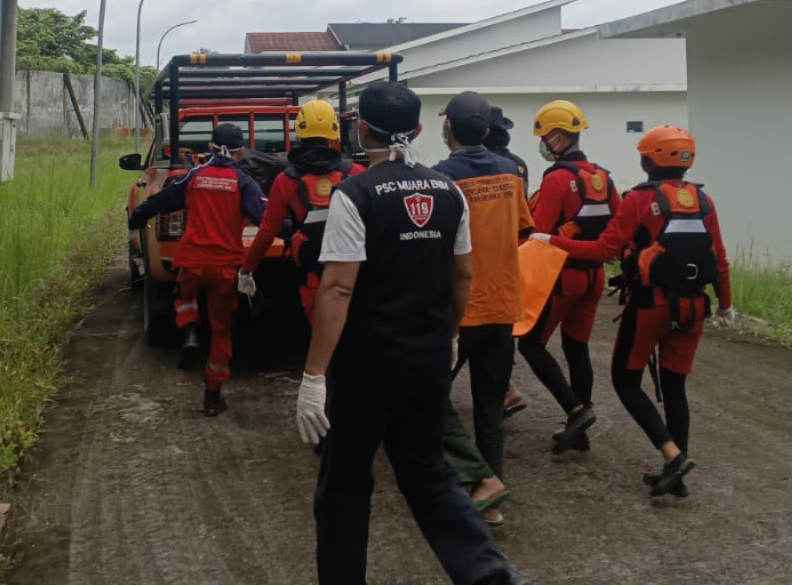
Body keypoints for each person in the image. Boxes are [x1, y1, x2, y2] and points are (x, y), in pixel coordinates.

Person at [295, 81, 525, 585]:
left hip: (366, 368)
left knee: (344, 485)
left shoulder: (354, 194)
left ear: (361, 129)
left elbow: (337, 288)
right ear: (418, 129)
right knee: (430, 477)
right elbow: (462, 275)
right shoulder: (448, 191)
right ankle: (490, 577)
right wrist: (450, 335)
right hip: (428, 360)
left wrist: (313, 377)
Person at [531, 125, 733, 496]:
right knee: (675, 388)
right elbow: (719, 260)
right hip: (693, 308)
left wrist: (550, 240)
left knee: (625, 380)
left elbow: (602, 250)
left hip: (650, 306)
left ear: (648, 161)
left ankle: (673, 456)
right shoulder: (704, 200)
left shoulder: (640, 199)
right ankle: (676, 475)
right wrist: (726, 304)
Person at [434, 91, 533, 526]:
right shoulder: (511, 173)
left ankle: (476, 478)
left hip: (458, 310)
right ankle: (490, 502)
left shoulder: (441, 177)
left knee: (426, 396)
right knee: (490, 407)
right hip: (503, 305)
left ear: (448, 128)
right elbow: (524, 228)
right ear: (488, 130)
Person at [128, 123, 264, 416]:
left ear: (211, 148)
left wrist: (137, 216)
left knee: (183, 295)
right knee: (222, 332)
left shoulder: (194, 176)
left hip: (191, 262)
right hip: (224, 270)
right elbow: (265, 217)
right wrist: (293, 229)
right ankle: (212, 397)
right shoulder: (243, 182)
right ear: (241, 151)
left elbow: (161, 200)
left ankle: (190, 330)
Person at [516, 100, 621, 454]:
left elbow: (540, 232)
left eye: (544, 138)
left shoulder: (558, 178)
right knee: (577, 347)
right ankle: (579, 430)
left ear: (558, 138)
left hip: (562, 278)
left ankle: (576, 410)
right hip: (593, 277)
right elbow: (618, 225)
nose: (543, 144)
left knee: (530, 344)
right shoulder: (603, 177)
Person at [239, 100, 365, 323]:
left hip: (312, 272)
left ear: (299, 132)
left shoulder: (285, 180)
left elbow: (268, 231)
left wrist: (246, 270)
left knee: (322, 331)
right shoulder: (357, 173)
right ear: (334, 134)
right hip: (355, 272)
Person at [483, 104, 532, 418]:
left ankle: (503, 389)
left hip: (486, 253)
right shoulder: (518, 164)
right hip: (514, 250)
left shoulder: (486, 164)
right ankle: (504, 387)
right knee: (503, 325)